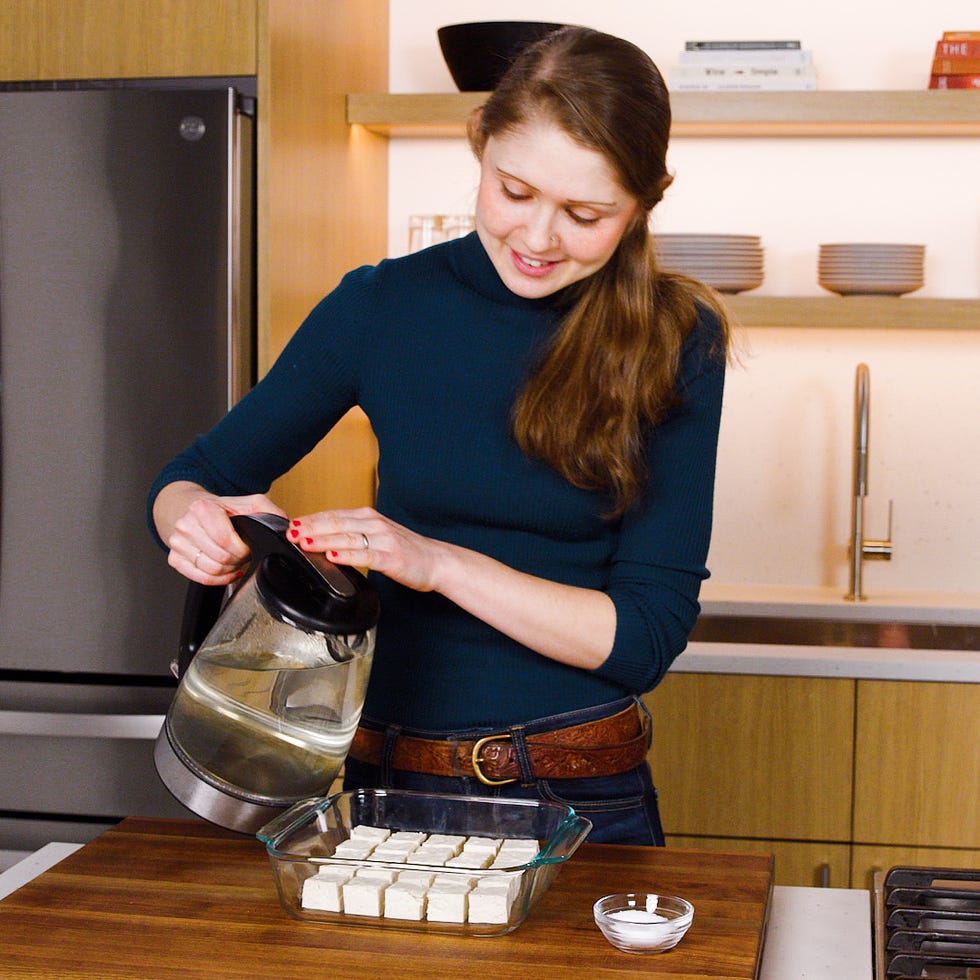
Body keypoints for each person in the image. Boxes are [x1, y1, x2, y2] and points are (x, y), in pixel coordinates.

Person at [148, 26, 732, 846]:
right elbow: (191, 476)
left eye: (585, 214)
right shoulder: (380, 307)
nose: (536, 238)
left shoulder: (679, 340)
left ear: (643, 204)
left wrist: (434, 563)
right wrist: (195, 525)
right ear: (480, 146)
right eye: (514, 191)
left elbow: (643, 639)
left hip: (576, 802)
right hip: (378, 788)